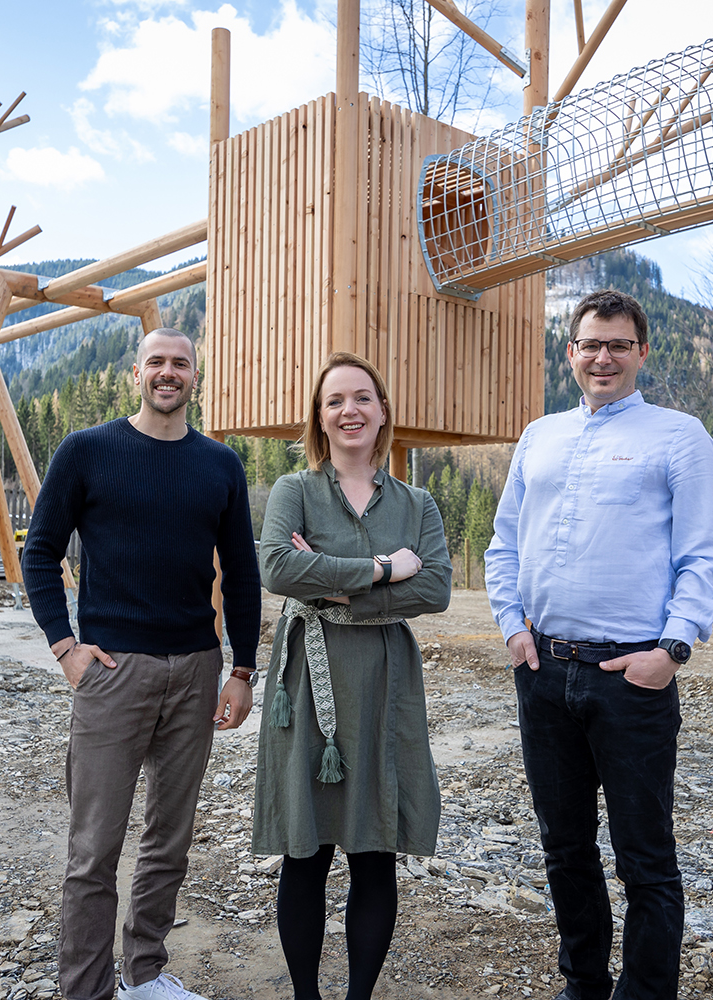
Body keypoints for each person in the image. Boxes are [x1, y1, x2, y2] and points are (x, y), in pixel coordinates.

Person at [484, 289, 713, 1000]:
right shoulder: (539, 436)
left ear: (641, 352)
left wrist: (672, 651)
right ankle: (582, 985)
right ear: (571, 353)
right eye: (591, 344)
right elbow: (504, 544)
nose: (603, 357)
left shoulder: (679, 436)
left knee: (644, 857)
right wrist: (511, 628)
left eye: (619, 344)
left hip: (632, 676)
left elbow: (703, 558)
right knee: (564, 848)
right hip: (544, 671)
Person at [22, 328, 262, 1000]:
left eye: (179, 363)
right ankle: (86, 990)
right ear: (136, 373)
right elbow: (39, 552)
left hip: (195, 669)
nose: (167, 373)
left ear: (194, 376)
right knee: (94, 850)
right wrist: (64, 648)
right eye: (156, 362)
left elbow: (241, 574)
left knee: (168, 839)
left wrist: (242, 671)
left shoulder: (220, 465)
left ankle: (146, 974)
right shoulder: (87, 452)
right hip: (111, 670)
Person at [252, 352, 451, 1000]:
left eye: (362, 397)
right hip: (307, 689)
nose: (349, 411)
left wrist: (333, 581)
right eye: (335, 400)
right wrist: (381, 569)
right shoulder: (294, 490)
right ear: (320, 416)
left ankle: (359, 998)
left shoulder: (417, 503)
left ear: (383, 410)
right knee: (304, 856)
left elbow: (439, 588)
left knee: (374, 853)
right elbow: (277, 569)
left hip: (386, 688)